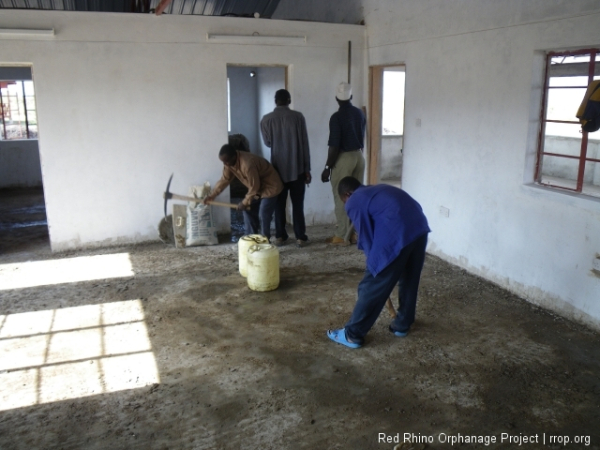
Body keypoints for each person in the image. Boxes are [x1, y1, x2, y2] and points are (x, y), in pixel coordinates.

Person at [327, 177, 431, 349]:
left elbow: (366, 237)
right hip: (419, 227)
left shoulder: (355, 200)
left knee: (370, 285)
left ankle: (352, 335)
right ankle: (402, 325)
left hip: (397, 230)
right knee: (409, 278)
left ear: (347, 194)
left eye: (344, 200)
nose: (346, 205)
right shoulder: (377, 190)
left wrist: (375, 268)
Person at [260, 89, 312, 248]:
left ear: (275, 101)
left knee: (278, 205)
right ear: (289, 100)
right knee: (298, 204)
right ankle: (300, 237)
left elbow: (268, 143)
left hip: (277, 171)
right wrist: (307, 169)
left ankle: (281, 236)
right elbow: (304, 144)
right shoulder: (298, 117)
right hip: (297, 169)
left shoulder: (266, 119)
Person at [204, 144, 283, 241]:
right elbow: (225, 180)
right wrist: (212, 195)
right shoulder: (229, 163)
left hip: (270, 187)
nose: (226, 164)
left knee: (263, 213)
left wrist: (244, 202)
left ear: (234, 156)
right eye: (223, 162)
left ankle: (265, 241)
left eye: (227, 161)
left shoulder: (247, 164)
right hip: (258, 190)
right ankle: (252, 239)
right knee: (247, 210)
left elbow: (254, 187)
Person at [321, 82, 366, 245]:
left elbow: (334, 146)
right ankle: (352, 234)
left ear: (336, 99)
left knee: (342, 196)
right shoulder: (360, 114)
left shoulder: (336, 117)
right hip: (359, 157)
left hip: (344, 158)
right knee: (355, 196)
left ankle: (341, 236)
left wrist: (327, 168)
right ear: (351, 97)